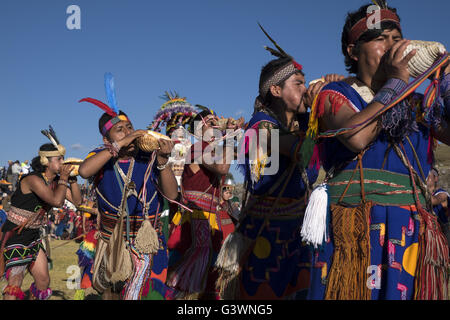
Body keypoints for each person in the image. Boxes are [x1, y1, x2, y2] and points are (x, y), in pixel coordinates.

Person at [307, 1, 450, 300]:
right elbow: (357, 135)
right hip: (355, 231)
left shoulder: (416, 103)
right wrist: (397, 81)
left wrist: (445, 82)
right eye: (379, 38)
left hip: (409, 233)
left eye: (396, 39)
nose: (391, 46)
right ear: (353, 50)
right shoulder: (334, 94)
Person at [214, 25, 340, 299]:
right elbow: (302, 153)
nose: (305, 88)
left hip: (296, 229)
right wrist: (317, 107)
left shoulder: (297, 124)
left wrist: (338, 94)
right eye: (298, 83)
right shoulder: (260, 127)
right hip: (266, 232)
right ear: (275, 90)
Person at [78, 73, 178, 300]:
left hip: (147, 239)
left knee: (149, 293)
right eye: (119, 129)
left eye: (129, 126)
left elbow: (171, 195)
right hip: (112, 240)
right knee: (112, 293)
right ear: (107, 139)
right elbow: (84, 171)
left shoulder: (148, 156)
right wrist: (123, 141)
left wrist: (163, 161)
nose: (128, 131)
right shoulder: (101, 155)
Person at [166, 105, 243, 299]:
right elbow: (223, 168)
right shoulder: (198, 148)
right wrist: (231, 137)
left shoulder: (212, 149)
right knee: (186, 287)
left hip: (210, 222)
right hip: (193, 224)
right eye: (210, 123)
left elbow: (239, 154)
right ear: (198, 131)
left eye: (216, 121)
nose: (216, 124)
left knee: (207, 285)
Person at [0, 126, 82, 300]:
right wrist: (65, 179)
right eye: (59, 160)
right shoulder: (32, 179)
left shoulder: (57, 183)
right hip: (15, 236)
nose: (63, 163)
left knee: (43, 281)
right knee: (15, 283)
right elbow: (57, 201)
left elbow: (78, 202)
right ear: (46, 162)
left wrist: (73, 180)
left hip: (33, 238)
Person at [427, 167, 450, 246]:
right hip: (428, 229)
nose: (426, 178)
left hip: (441, 230)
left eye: (429, 176)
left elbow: (433, 201)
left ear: (435, 178)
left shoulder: (442, 194)